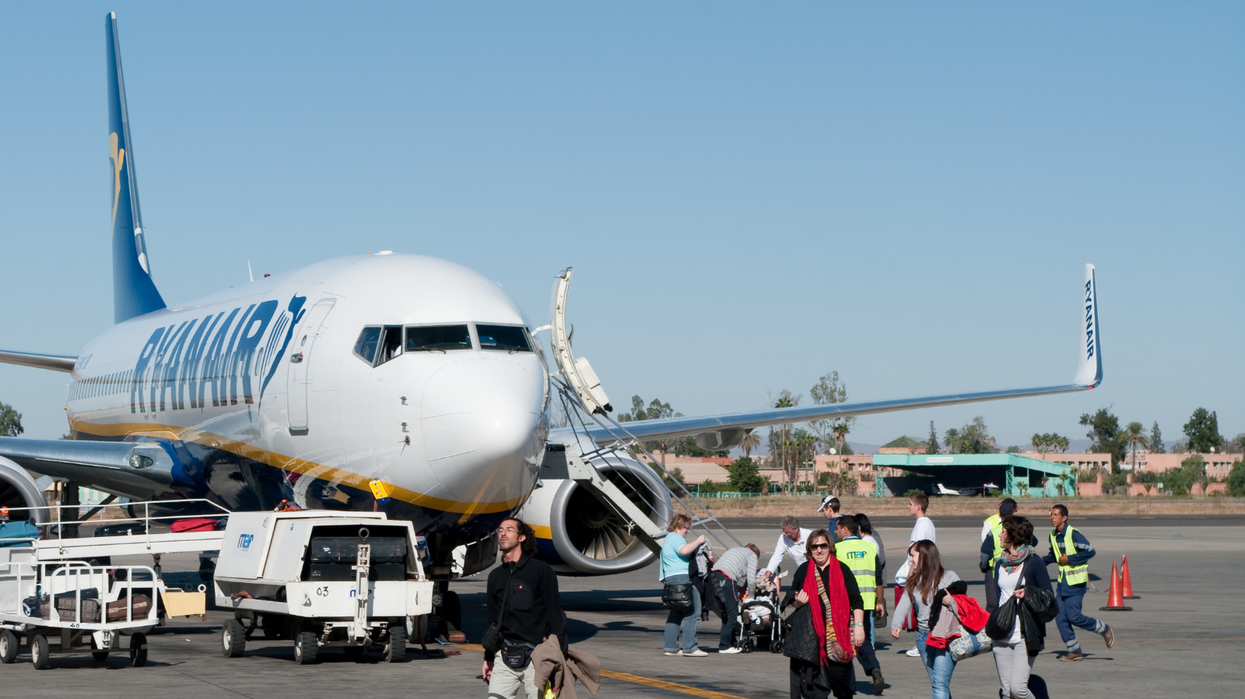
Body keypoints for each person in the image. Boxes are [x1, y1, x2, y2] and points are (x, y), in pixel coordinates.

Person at [483, 518, 566, 699]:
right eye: (500, 529)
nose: (503, 533)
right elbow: (492, 622)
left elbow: (555, 616)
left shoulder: (541, 570)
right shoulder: (495, 576)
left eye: (510, 529)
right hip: (504, 658)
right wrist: (488, 657)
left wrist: (560, 658)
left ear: (521, 538)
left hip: (537, 659)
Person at [783, 529, 866, 699]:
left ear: (830, 547)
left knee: (840, 681)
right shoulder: (804, 570)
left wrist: (859, 626)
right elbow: (792, 597)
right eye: (814, 547)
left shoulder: (842, 570)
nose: (819, 550)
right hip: (811, 641)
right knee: (814, 690)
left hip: (837, 636)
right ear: (810, 550)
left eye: (823, 545)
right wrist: (798, 602)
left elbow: (856, 600)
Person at [986, 515, 1052, 699]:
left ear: (1013, 536)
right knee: (1007, 692)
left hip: (1024, 634)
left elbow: (1049, 596)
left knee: (1018, 689)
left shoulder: (1034, 562)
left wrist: (1028, 593)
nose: (999, 536)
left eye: (1003, 532)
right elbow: (994, 601)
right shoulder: (1000, 564)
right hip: (1001, 633)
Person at [1043, 504, 1115, 661]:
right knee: (1060, 617)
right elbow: (1054, 555)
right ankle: (1074, 650)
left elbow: (1090, 551)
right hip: (1062, 584)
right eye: (1051, 514)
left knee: (1074, 617)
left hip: (1076, 584)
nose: (1052, 517)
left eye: (1055, 515)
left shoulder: (1073, 534)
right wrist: (1039, 563)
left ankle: (1103, 629)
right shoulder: (1053, 535)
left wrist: (1069, 559)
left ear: (1064, 518)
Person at [891, 540, 960, 699]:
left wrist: (951, 602)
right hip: (924, 639)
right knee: (938, 684)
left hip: (945, 638)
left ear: (924, 557)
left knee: (939, 684)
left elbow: (963, 607)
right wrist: (897, 624)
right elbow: (904, 603)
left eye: (913, 556)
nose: (910, 560)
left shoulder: (950, 577)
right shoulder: (915, 580)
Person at [834, 515, 886, 694]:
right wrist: (880, 601)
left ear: (845, 530)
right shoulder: (870, 547)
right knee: (864, 640)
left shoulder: (838, 549)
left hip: (845, 603)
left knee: (843, 641)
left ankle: (847, 682)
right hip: (867, 602)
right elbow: (878, 577)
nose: (835, 531)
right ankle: (874, 669)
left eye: (837, 528)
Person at [661, 513, 708, 657]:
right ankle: (690, 647)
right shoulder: (676, 538)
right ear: (679, 526)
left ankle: (670, 647)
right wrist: (698, 541)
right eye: (686, 528)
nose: (687, 531)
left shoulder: (667, 539)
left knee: (675, 613)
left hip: (670, 579)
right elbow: (684, 550)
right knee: (693, 612)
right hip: (683, 579)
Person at [898, 493, 935, 657]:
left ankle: (922, 644)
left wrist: (911, 572)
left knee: (921, 609)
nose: (908, 506)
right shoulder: (927, 523)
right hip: (926, 570)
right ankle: (925, 642)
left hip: (920, 572)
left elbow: (917, 552)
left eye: (910, 504)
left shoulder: (921, 524)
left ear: (918, 507)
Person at [710, 543, 761, 653]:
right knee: (732, 613)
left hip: (714, 577)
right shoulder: (752, 555)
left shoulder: (735, 550)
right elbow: (751, 580)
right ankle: (724, 646)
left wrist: (740, 589)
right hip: (727, 577)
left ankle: (731, 642)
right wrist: (751, 596)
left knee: (726, 613)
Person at [981, 499, 1019, 611]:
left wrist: (984, 567)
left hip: (994, 571)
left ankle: (992, 626)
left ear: (1000, 514)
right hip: (1015, 570)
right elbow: (1033, 541)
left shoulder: (994, 531)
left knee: (993, 602)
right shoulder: (1019, 529)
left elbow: (985, 553)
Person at [761, 516, 812, 587]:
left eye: (788, 533)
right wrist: (767, 575)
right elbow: (776, 557)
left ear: (796, 529)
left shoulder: (810, 535)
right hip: (802, 571)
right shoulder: (783, 538)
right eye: (784, 532)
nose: (786, 535)